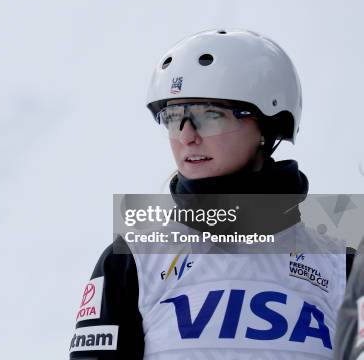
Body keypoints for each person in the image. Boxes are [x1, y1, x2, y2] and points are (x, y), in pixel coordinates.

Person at [68, 29, 355, 359]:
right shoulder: (130, 263)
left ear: (267, 125)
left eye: (210, 115)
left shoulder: (343, 270)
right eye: (174, 117)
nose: (186, 136)